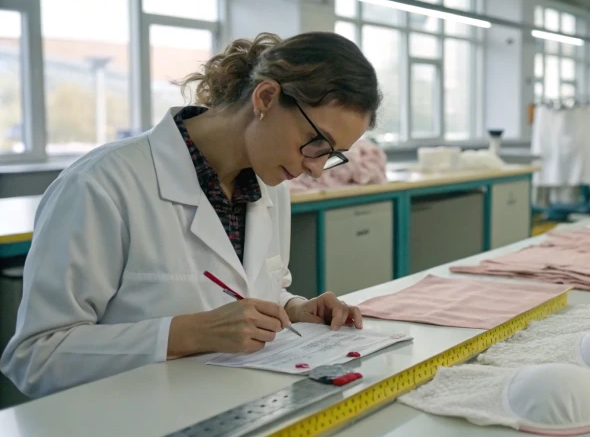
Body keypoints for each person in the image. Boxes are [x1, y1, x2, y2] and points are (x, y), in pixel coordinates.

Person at [0, 31, 382, 398]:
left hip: (230, 409)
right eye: (317, 143)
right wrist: (187, 334)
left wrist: (293, 309)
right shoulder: (102, 184)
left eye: (331, 154)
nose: (316, 169)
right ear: (265, 97)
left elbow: (246, 289)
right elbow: (36, 356)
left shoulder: (270, 185)